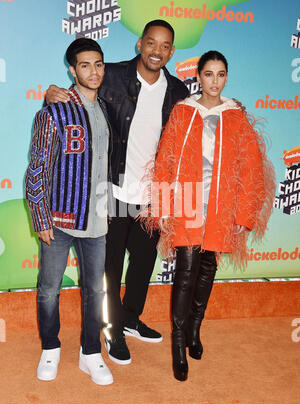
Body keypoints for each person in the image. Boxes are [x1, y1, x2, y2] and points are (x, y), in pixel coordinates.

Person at [46, 20, 189, 365]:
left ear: (171, 51)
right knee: (109, 267)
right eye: (151, 43)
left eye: (165, 45)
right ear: (140, 43)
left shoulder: (178, 92)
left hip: (150, 194)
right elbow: (78, 98)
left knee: (143, 262)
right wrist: (54, 93)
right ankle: (111, 332)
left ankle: (129, 319)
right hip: (110, 188)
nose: (157, 50)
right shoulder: (110, 74)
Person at [142, 51, 276, 381]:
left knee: (208, 267)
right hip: (187, 201)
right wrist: (161, 206)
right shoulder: (184, 111)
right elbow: (165, 159)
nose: (214, 81)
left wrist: (246, 211)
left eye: (220, 74)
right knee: (186, 269)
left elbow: (251, 167)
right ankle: (177, 344)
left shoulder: (236, 116)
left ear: (226, 77)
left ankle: (193, 331)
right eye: (208, 74)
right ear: (198, 77)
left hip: (221, 206)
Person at [25, 38, 114, 385]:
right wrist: (40, 216)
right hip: (59, 221)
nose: (93, 71)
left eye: (99, 64)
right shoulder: (54, 111)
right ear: (72, 70)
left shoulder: (106, 107)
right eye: (85, 65)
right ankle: (51, 347)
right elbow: (37, 167)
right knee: (49, 288)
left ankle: (90, 353)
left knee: (96, 290)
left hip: (97, 220)